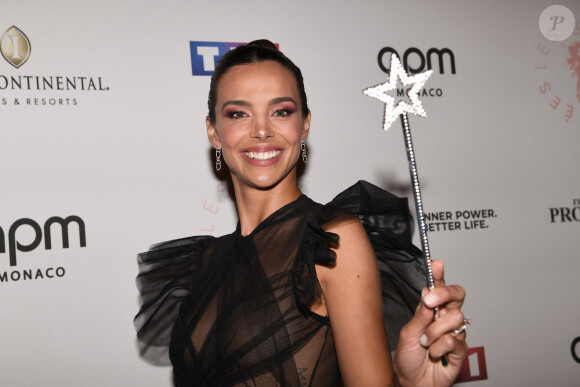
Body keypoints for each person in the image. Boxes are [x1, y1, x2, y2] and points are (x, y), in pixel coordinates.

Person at [135, 39, 468, 387]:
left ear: (305, 125)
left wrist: (406, 380)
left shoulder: (330, 241)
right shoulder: (202, 262)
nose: (261, 130)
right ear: (213, 132)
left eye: (281, 111)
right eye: (238, 113)